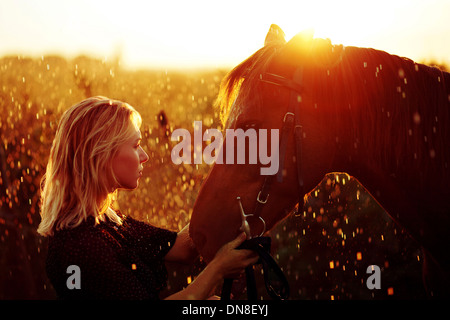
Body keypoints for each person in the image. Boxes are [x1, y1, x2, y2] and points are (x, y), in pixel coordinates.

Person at [37, 96, 258, 300]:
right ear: (101, 155)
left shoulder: (108, 222)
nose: (145, 156)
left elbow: (181, 247)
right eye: (135, 146)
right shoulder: (81, 245)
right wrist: (218, 268)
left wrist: (225, 198)